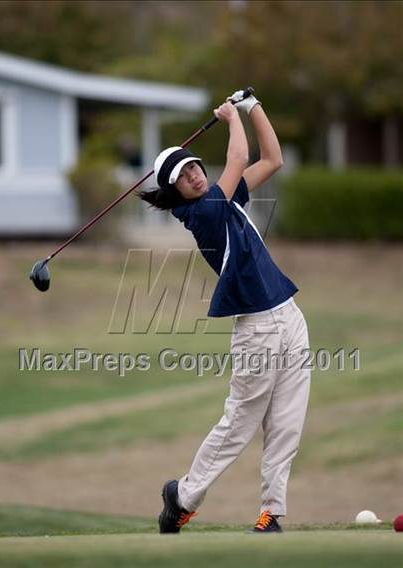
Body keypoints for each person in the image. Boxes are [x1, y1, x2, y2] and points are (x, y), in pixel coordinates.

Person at [139, 89, 311, 534]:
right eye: (183, 175)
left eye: (194, 166)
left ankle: (272, 513)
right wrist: (231, 116)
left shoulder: (225, 198)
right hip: (257, 326)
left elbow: (271, 159)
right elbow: (237, 158)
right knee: (240, 422)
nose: (194, 176)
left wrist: (254, 108)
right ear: (174, 191)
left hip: (289, 315)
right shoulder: (204, 213)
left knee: (287, 423)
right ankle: (183, 497)